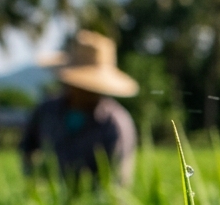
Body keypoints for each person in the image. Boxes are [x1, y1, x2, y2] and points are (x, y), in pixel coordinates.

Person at [20, 30, 139, 186]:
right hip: (50, 198)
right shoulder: (46, 111)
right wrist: (36, 181)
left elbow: (118, 182)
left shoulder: (116, 124)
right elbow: (27, 149)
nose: (82, 91)